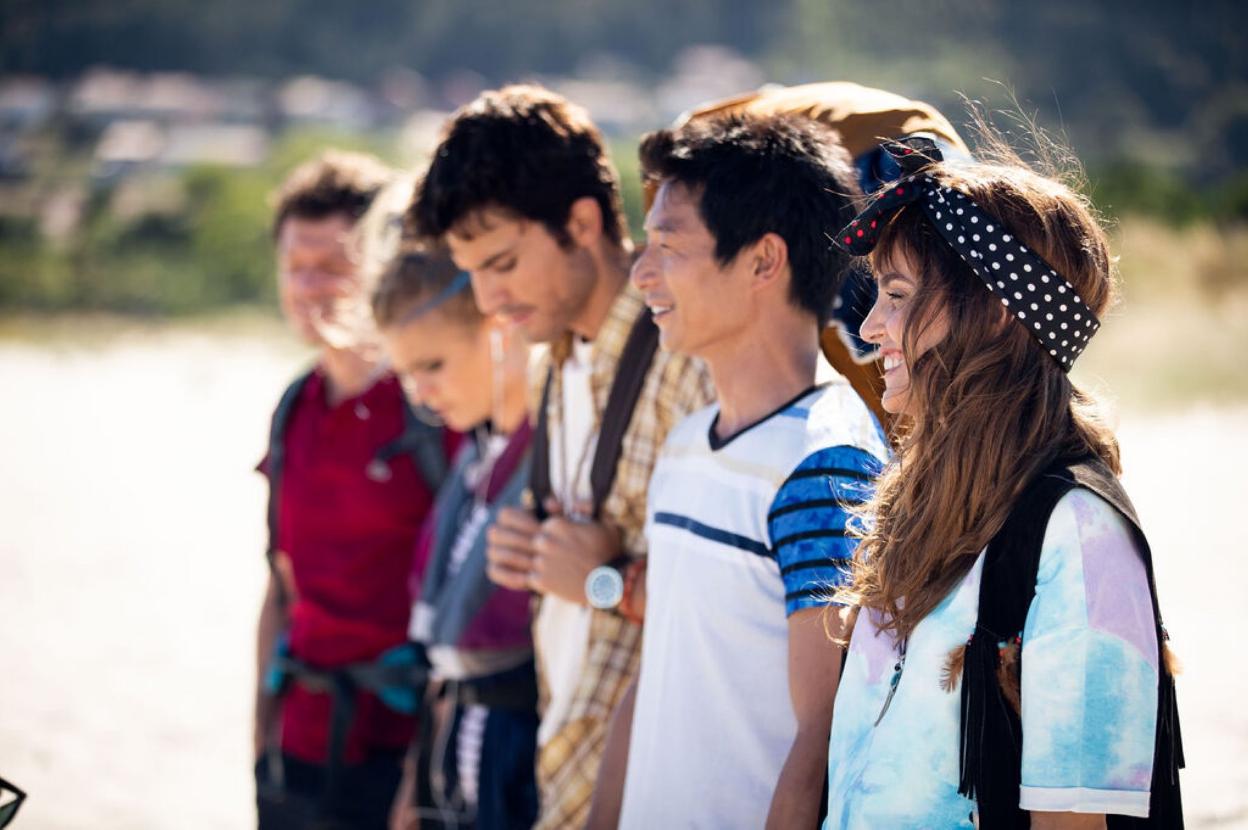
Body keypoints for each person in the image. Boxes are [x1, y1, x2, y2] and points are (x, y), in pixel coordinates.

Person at [823, 136, 1184, 827]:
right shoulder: (911, 500)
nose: (869, 327)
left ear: (994, 312)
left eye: (897, 296)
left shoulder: (1078, 533)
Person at [408, 83, 715, 828]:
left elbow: (756, 608)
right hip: (561, 781)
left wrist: (604, 582)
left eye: (504, 263)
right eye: (472, 271)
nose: (488, 299)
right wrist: (536, 553)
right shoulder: (551, 363)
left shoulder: (690, 357)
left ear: (581, 223)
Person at [588, 114, 889, 829]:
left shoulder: (827, 462)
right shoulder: (686, 441)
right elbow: (657, 669)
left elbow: (824, 737)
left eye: (668, 246)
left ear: (763, 262)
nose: (641, 273)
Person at [254, 152, 456, 829]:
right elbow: (281, 586)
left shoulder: (433, 407)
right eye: (295, 266)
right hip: (295, 750)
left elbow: (465, 609)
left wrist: (419, 781)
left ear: (381, 266)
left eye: (331, 265)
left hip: (399, 758)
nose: (309, 287)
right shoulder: (295, 409)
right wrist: (259, 740)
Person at [372, 248, 539, 830]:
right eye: (406, 374)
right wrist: (414, 783)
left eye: (433, 365)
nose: (419, 394)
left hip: (522, 779)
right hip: (454, 780)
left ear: (500, 331)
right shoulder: (476, 461)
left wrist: (602, 580)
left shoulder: (557, 463)